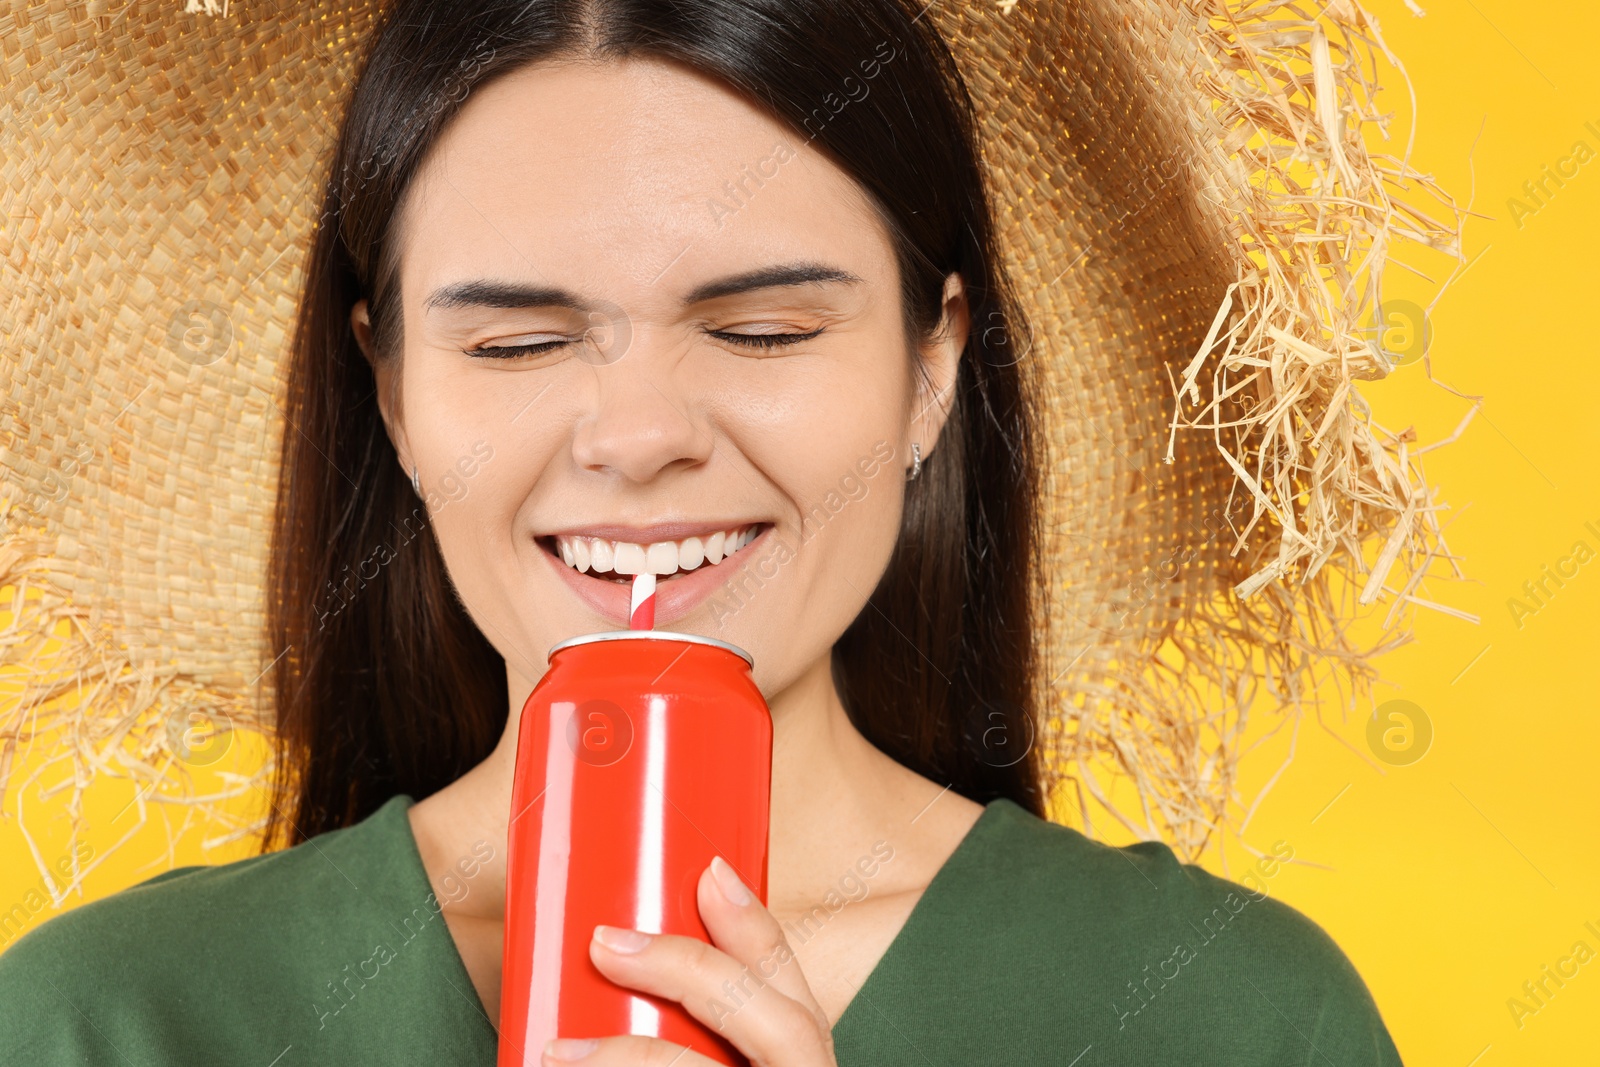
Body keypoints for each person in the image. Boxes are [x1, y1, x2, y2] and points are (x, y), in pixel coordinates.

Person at [0, 1, 1403, 1064]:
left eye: (761, 329)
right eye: (516, 342)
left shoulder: (1229, 1018)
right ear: (392, 397)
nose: (636, 432)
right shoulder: (106, 1022)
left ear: (931, 370)